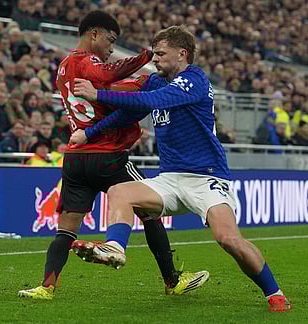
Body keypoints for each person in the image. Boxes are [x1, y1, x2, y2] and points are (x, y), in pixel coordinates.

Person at [70, 25, 291, 311]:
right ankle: (115, 248)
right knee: (119, 192)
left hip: (207, 177)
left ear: (181, 53)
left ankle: (274, 293)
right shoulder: (155, 82)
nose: (156, 58)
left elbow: (154, 101)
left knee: (228, 240)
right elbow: (131, 113)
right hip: (172, 178)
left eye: (161, 53)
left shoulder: (195, 79)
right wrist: (90, 133)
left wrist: (98, 95)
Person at [17, 11, 208, 301]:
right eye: (110, 40)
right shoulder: (88, 63)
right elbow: (107, 79)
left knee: (67, 228)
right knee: (150, 212)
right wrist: (145, 59)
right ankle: (173, 281)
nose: (111, 48)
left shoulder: (64, 68)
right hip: (109, 157)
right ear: (94, 34)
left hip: (77, 157)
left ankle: (46, 287)